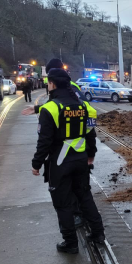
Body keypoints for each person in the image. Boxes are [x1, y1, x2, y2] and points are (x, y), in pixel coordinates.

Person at [31, 68, 105, 253]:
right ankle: (98, 233)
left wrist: (37, 163)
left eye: (48, 83)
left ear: (53, 84)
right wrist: (91, 154)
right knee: (85, 196)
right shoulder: (84, 107)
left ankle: (70, 243)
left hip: (60, 163)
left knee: (63, 203)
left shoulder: (50, 108)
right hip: (80, 160)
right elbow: (90, 133)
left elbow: (44, 141)